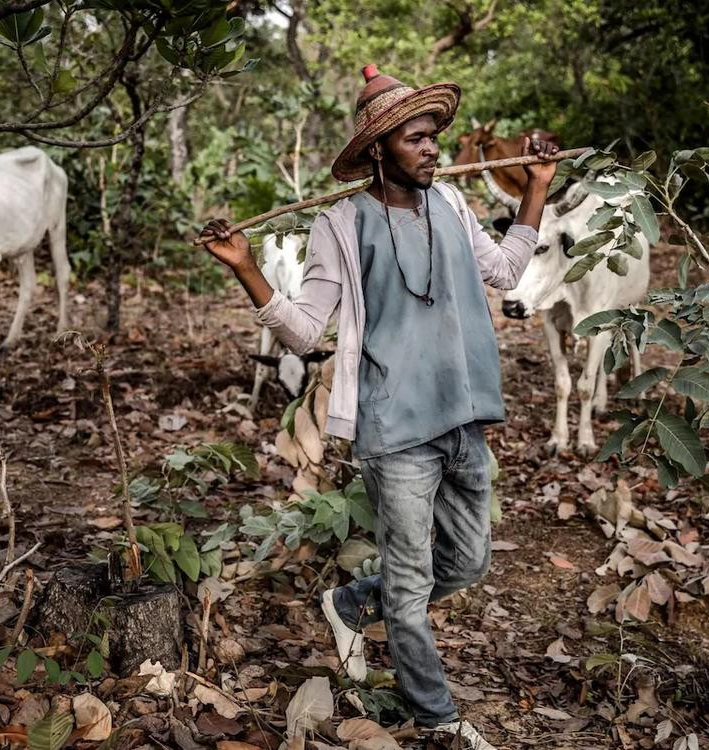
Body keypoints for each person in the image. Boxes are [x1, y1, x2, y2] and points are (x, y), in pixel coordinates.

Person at [199, 64, 559, 750]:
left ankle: (350, 602)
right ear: (377, 149)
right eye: (417, 139)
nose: (432, 149)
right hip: (395, 430)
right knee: (411, 576)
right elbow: (306, 331)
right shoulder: (341, 223)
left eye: (434, 138)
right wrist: (245, 267)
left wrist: (536, 191)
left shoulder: (452, 206)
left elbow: (507, 271)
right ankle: (439, 718)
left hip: (464, 420)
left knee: (469, 562)